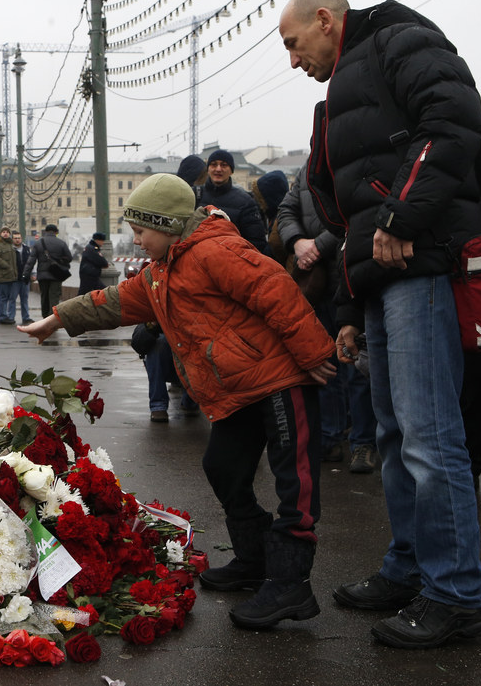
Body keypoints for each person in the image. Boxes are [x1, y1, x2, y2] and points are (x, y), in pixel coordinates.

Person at [20, 173, 336, 630]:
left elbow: (277, 290)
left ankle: (291, 584)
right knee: (223, 467)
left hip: (282, 378)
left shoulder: (214, 250)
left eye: (141, 231)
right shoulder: (163, 270)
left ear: (166, 226)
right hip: (240, 388)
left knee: (296, 485)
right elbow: (116, 300)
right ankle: (255, 560)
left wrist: (315, 355)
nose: (136, 239)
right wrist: (57, 319)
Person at [280, 0, 481, 647]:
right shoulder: (347, 85)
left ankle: (457, 592)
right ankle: (409, 569)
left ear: (325, 19)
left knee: (430, 435)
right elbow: (349, 216)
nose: (293, 61)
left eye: (293, 43)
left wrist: (404, 212)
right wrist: (349, 305)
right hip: (382, 277)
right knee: (399, 435)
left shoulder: (398, 40)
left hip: (422, 264)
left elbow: (454, 120)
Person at [277, 169, 378, 473]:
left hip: (351, 280)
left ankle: (363, 444)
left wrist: (318, 246)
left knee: (357, 366)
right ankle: (330, 438)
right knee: (325, 363)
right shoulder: (308, 169)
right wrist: (296, 242)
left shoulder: (352, 160)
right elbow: (286, 210)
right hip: (316, 286)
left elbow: (358, 214)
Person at [198, 149, 270, 254]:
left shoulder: (246, 202)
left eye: (224, 165)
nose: (218, 169)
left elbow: (256, 243)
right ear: (208, 169)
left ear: (231, 170)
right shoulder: (196, 195)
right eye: (214, 164)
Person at [23, 223, 72, 318]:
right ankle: (52, 319)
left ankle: (45, 317)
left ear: (45, 232)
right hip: (56, 275)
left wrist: (26, 274)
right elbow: (69, 258)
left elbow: (31, 261)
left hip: (42, 275)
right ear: (56, 232)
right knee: (54, 297)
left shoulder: (38, 243)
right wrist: (60, 260)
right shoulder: (61, 243)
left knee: (44, 297)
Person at [0, 226, 19, 324]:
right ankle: (2, 317)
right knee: (3, 297)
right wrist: (6, 266)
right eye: (3, 232)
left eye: (7, 232)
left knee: (11, 298)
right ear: (0, 233)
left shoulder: (10, 244)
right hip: (2, 276)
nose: (5, 233)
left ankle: (9, 317)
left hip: (11, 276)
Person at [12, 232, 33, 325]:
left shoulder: (27, 249)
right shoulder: (10, 250)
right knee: (12, 299)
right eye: (15, 238)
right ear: (12, 239)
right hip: (14, 279)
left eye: (19, 238)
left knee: (24, 299)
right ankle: (10, 317)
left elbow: (31, 262)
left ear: (21, 239)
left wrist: (33, 273)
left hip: (25, 279)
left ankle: (26, 317)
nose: (17, 240)